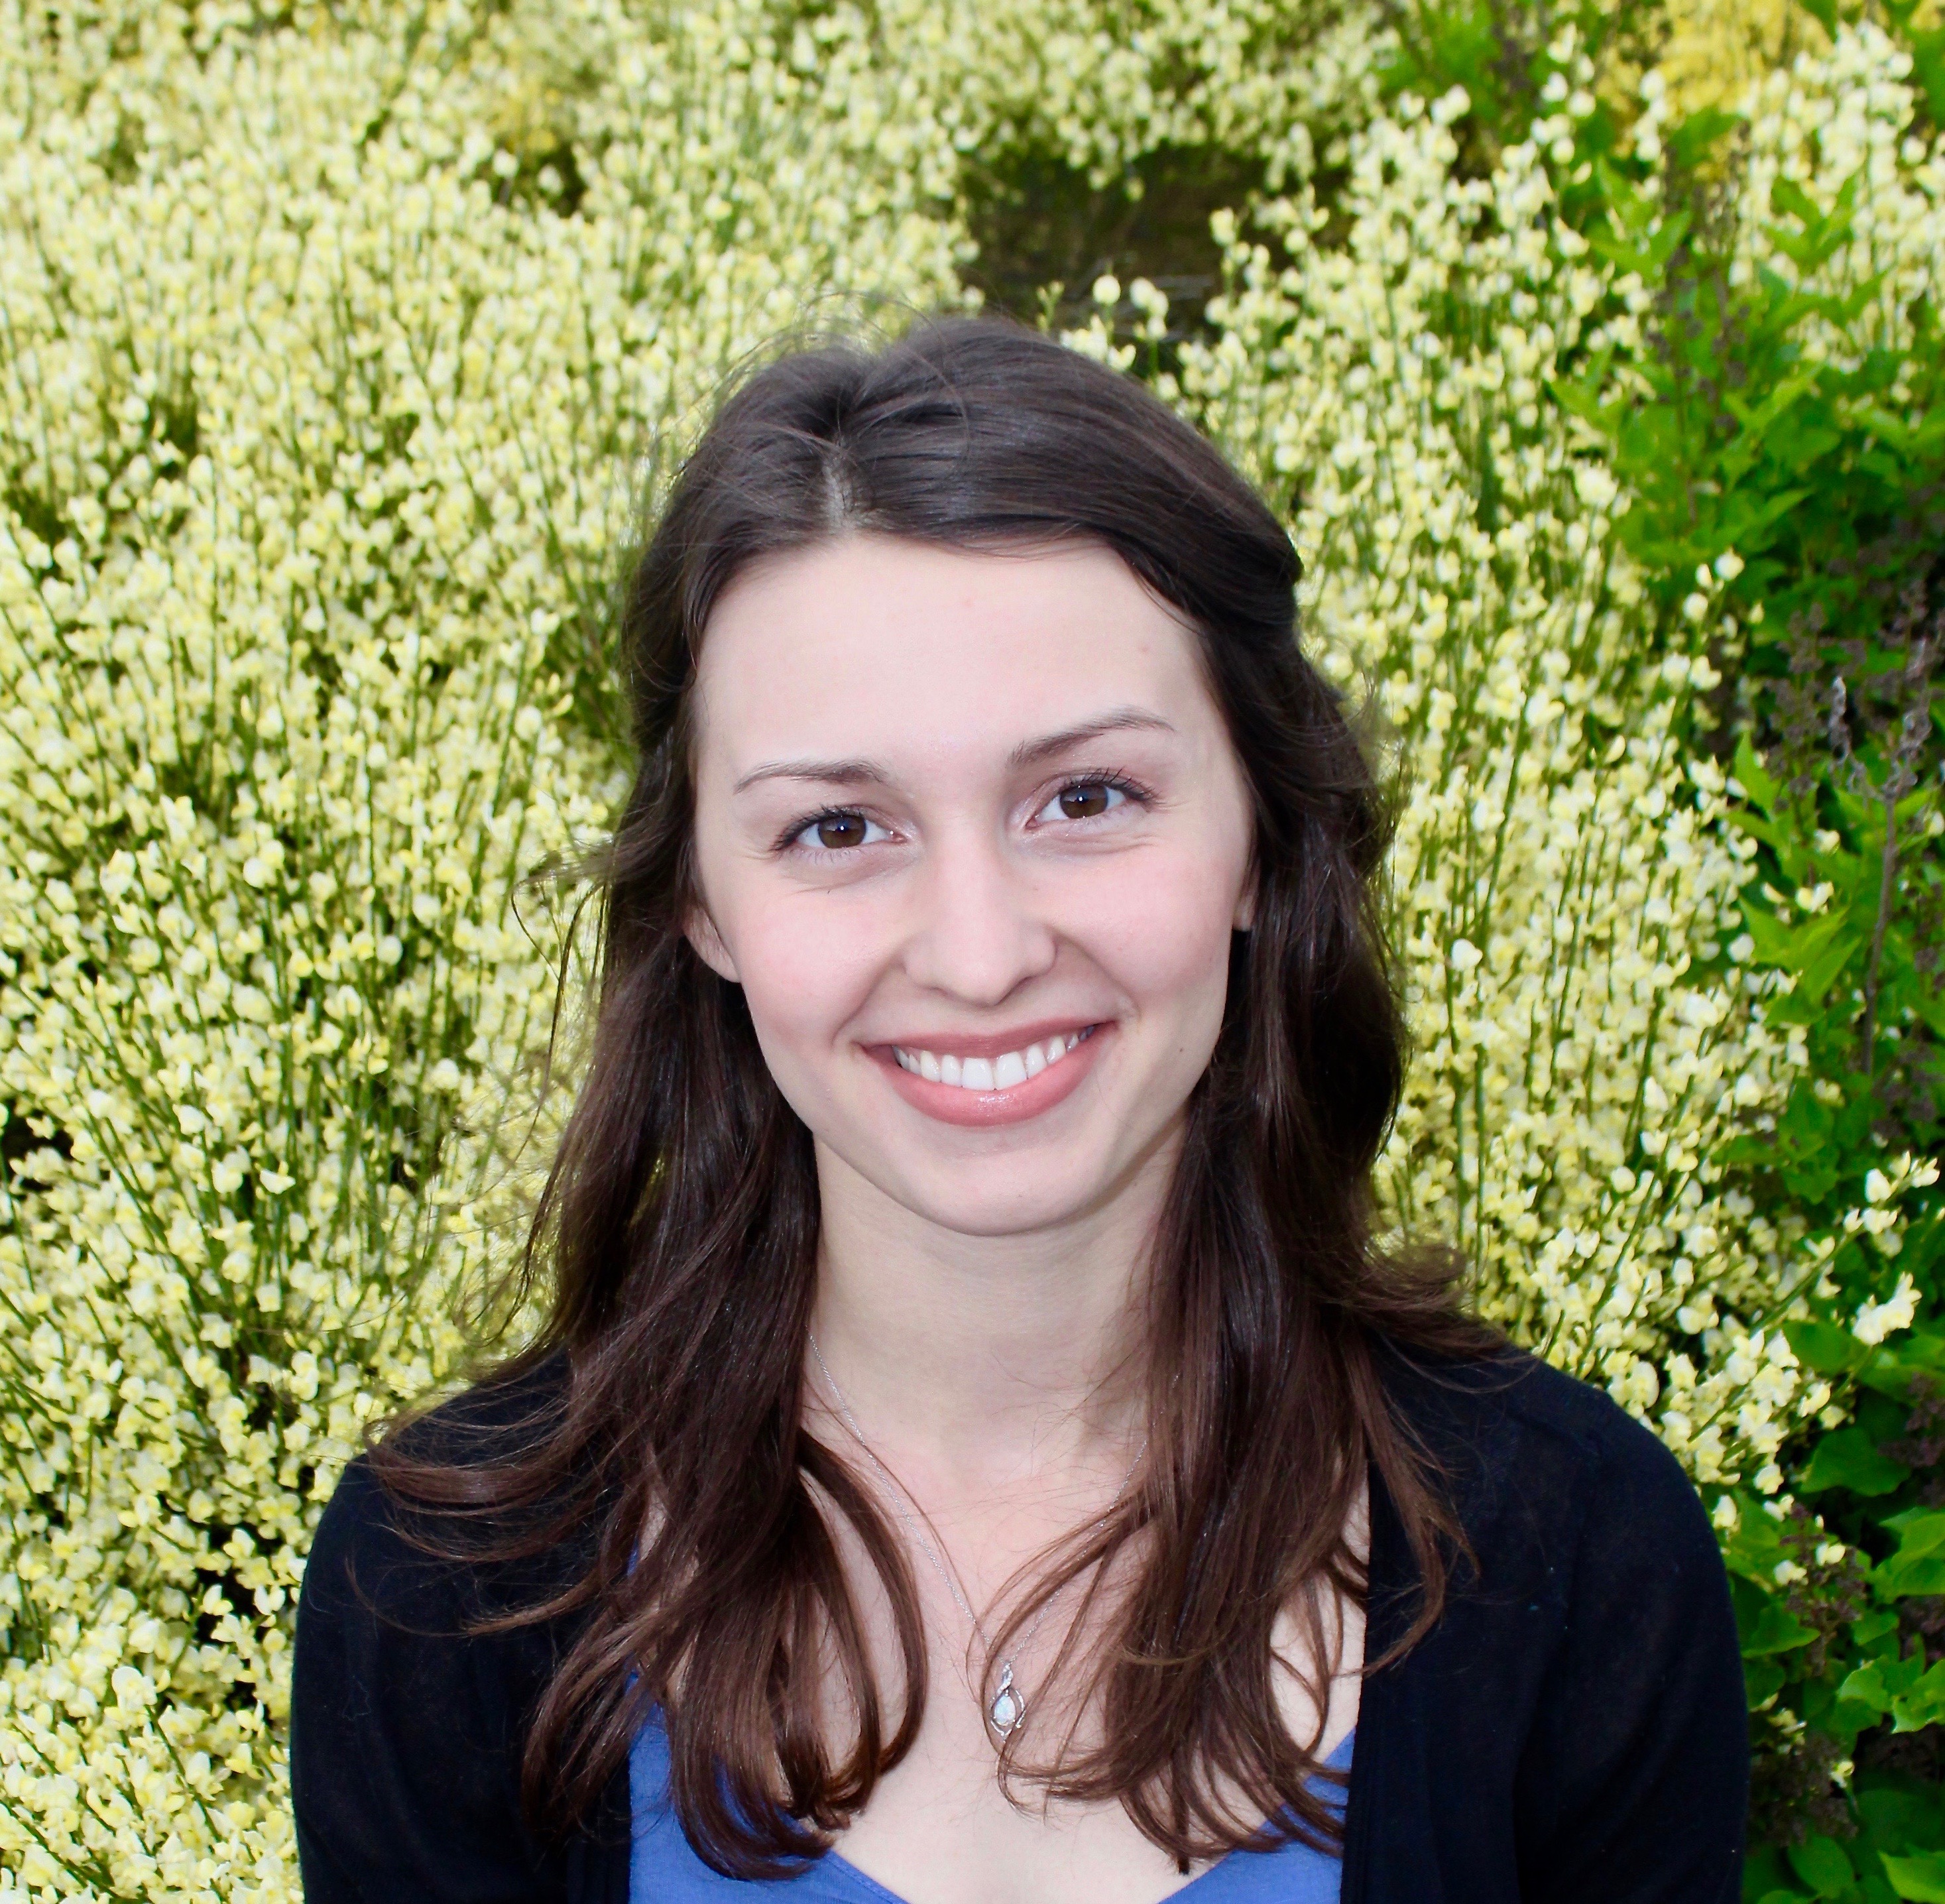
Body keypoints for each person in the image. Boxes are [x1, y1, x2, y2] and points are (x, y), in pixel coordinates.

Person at [290, 317, 1748, 1903]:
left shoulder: (1578, 1560)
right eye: (839, 824)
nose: (981, 955)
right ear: (699, 902)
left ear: (1265, 837)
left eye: (1087, 797)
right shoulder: (444, 1597)